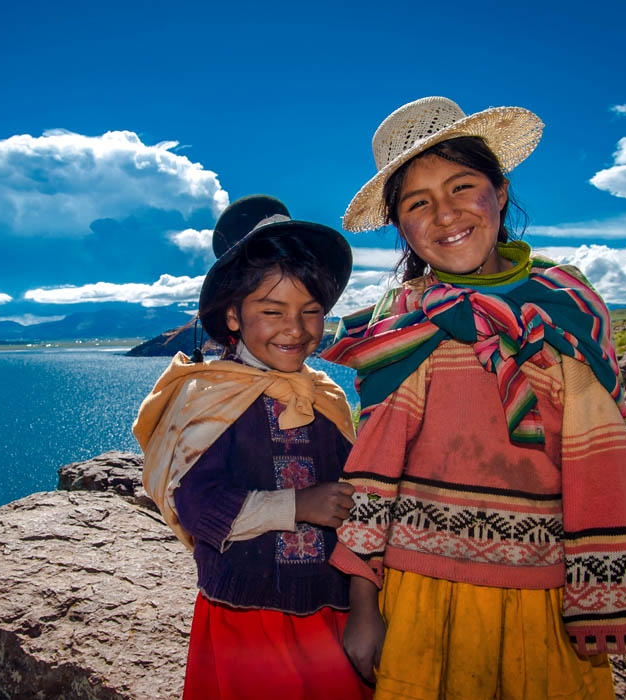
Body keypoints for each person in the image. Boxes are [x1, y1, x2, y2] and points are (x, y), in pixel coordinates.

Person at [321, 97, 626, 699]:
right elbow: (374, 467)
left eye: (463, 187)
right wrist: (364, 603)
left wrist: (597, 596)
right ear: (401, 227)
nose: (445, 214)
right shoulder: (400, 321)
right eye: (418, 203)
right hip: (418, 592)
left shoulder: (564, 305)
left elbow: (599, 455)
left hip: (541, 595)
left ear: (500, 189)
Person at [133, 195, 372, 700]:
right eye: (272, 310)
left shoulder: (324, 399)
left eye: (311, 312)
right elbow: (197, 508)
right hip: (246, 618)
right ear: (233, 316)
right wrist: (297, 505)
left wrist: (365, 603)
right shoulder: (207, 400)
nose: (296, 329)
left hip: (333, 609)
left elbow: (362, 501)